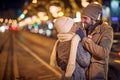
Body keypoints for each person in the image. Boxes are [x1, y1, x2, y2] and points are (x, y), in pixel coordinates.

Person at [76, 2, 113, 80]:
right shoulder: (83, 30)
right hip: (83, 75)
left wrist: (84, 39)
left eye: (85, 18)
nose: (82, 21)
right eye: (82, 17)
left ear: (94, 18)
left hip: (96, 76)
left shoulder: (106, 30)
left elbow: (103, 53)